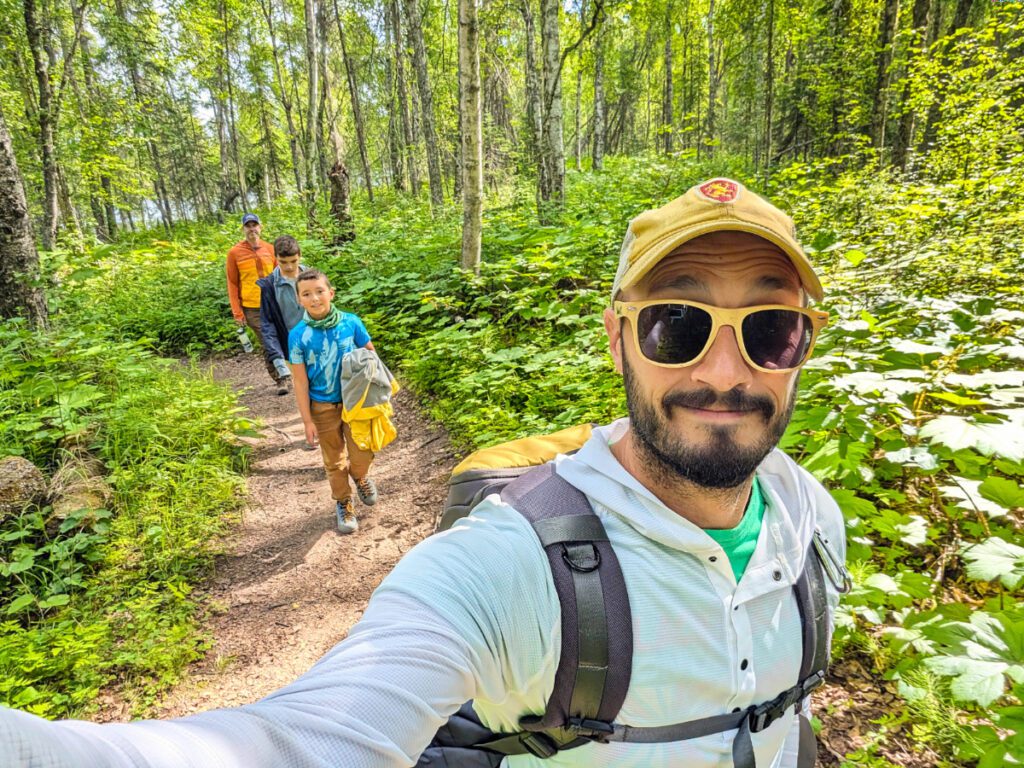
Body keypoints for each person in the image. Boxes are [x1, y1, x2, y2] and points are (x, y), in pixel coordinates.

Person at [0, 178, 847, 767]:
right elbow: (301, 741)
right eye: (677, 325)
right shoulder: (516, 561)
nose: (728, 374)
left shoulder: (813, 519)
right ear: (618, 336)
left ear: (803, 345)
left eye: (770, 327)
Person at [288, 269, 380, 534]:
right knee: (334, 460)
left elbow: (371, 357)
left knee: (363, 451)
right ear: (299, 299)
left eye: (319, 291)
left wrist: (380, 395)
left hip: (356, 403)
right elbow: (300, 381)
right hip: (322, 407)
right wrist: (307, 420)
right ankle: (343, 501)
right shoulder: (297, 335)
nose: (315, 298)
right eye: (306, 294)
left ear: (331, 293)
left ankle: (360, 476)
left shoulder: (350, 323)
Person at [225, 212, 281, 391]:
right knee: (267, 341)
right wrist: (237, 312)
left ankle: (289, 371)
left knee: (280, 338)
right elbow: (232, 283)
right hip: (251, 307)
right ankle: (280, 378)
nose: (252, 229)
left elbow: (280, 276)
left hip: (273, 303)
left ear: (260, 227)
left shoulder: (270, 249)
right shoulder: (234, 253)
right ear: (243, 229)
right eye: (248, 226)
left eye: (254, 225)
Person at [256, 235, 307, 396]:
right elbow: (267, 324)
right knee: (304, 387)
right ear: (276, 258)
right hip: (292, 344)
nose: (290, 267)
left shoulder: (312, 277)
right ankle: (310, 419)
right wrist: (278, 359)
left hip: (317, 338)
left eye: (293, 261)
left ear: (299, 256)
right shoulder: (270, 286)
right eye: (283, 262)